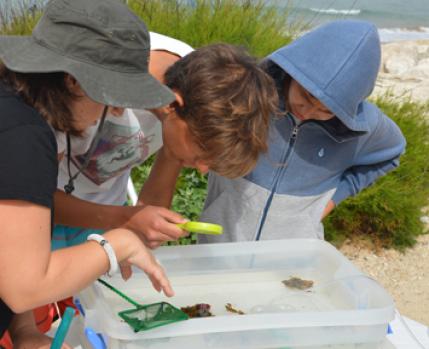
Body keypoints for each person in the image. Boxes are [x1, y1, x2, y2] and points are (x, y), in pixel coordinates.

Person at [0, 0, 177, 345]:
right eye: (111, 96)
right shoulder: (23, 138)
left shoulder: (11, 106)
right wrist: (117, 243)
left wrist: (25, 331)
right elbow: (25, 287)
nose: (114, 110)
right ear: (74, 82)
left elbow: (11, 240)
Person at [52, 39, 279, 250]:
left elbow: (149, 210)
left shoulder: (199, 92)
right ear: (173, 103)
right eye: (202, 154)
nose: (202, 168)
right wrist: (126, 218)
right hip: (44, 213)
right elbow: (31, 194)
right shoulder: (90, 83)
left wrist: (141, 225)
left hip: (105, 212)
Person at [199, 20, 406, 243]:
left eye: (327, 111)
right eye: (307, 97)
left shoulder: (364, 125)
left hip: (295, 260)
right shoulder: (248, 91)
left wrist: (333, 200)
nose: (308, 112)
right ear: (292, 73)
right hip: (219, 246)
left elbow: (393, 152)